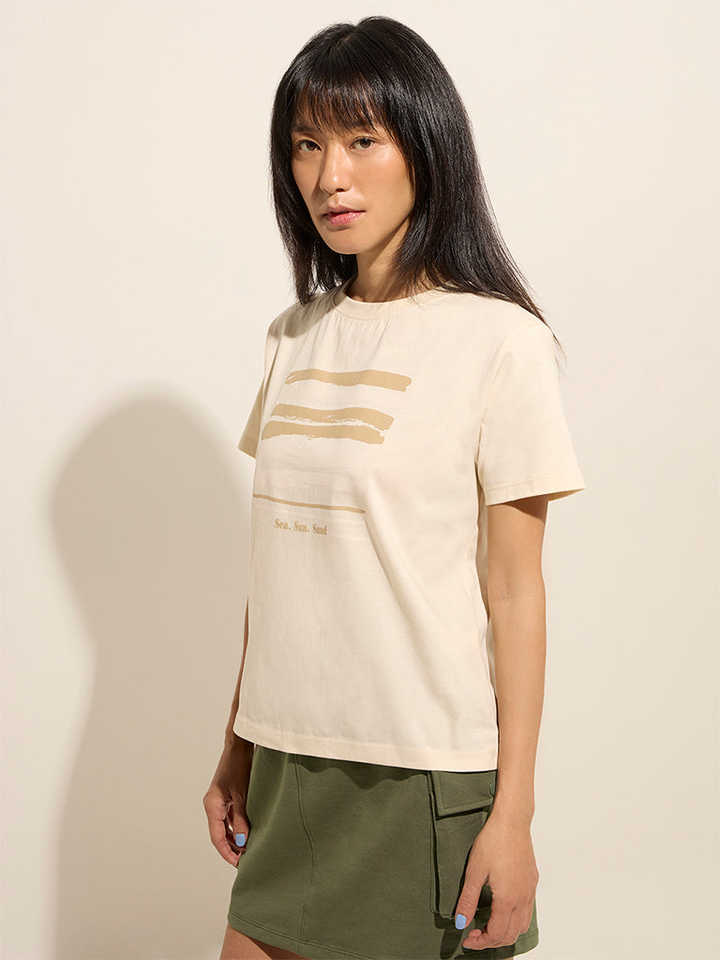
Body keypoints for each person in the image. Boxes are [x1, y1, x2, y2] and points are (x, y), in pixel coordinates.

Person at [203, 15, 585, 960]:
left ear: (426, 147)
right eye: (307, 144)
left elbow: (516, 592)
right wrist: (238, 744)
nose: (330, 176)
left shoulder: (501, 343)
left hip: (418, 774)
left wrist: (514, 816)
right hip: (287, 764)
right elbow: (279, 565)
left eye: (363, 140)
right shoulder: (292, 337)